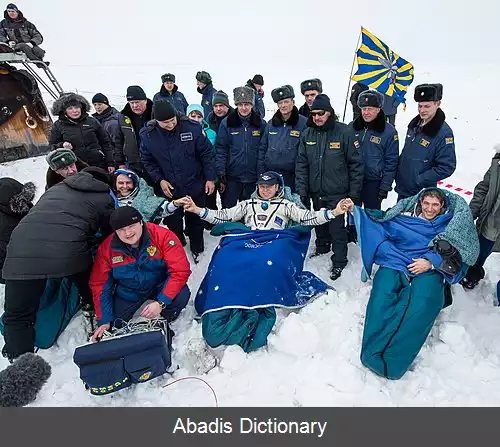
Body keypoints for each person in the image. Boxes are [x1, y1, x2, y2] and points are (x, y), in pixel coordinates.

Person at [352, 188, 479, 379]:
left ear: (442, 205)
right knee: (382, 294)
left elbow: (462, 251)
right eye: (426, 203)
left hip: (430, 266)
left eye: (435, 204)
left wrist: (431, 262)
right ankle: (372, 353)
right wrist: (353, 209)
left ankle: (394, 362)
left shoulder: (451, 225)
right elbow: (379, 221)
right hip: (396, 260)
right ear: (420, 202)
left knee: (423, 302)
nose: (430, 209)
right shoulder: (404, 217)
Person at [1, 167, 117, 361]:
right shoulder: (103, 196)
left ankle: (19, 360)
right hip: (67, 251)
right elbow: (109, 234)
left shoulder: (55, 189)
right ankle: (90, 302)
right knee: (87, 278)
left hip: (20, 250)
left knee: (17, 314)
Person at [90, 206, 191, 343]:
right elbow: (100, 285)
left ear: (141, 222)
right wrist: (104, 320)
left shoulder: (163, 236)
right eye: (121, 230)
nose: (128, 233)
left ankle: (165, 318)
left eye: (131, 226)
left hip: (159, 285)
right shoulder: (107, 249)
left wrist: (161, 302)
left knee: (181, 295)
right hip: (129, 292)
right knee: (114, 325)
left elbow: (180, 271)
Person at [295, 93, 363, 280]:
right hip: (316, 191)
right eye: (313, 113)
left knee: (337, 229)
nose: (316, 117)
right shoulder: (307, 133)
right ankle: (322, 246)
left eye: (321, 113)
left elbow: (356, 165)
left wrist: (354, 194)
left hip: (337, 192)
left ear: (329, 113)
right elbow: (301, 165)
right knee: (319, 222)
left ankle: (340, 260)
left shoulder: (344, 132)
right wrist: (302, 191)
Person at [139, 100, 215, 262]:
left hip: (194, 182)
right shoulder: (148, 135)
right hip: (169, 187)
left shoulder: (192, 128)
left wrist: (209, 178)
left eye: (173, 120)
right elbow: (147, 160)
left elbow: (207, 154)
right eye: (165, 122)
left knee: (195, 218)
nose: (171, 124)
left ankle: (197, 247)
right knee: (172, 220)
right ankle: (178, 242)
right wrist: (159, 180)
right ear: (157, 121)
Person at [181, 171, 351, 230]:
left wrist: (335, 212)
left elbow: (308, 217)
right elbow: (223, 216)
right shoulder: (248, 204)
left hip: (274, 242)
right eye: (262, 186)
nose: (266, 189)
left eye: (270, 186)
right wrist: (196, 209)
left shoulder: (286, 205)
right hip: (249, 241)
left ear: (278, 187)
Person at [395, 83, 456, 200]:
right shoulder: (414, 126)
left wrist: (419, 179)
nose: (422, 110)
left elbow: (447, 166)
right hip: (403, 189)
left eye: (427, 106)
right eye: (420, 106)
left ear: (437, 104)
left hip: (422, 194)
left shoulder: (443, 133)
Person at [215, 86, 266, 208]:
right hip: (232, 178)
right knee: (229, 211)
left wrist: (262, 173)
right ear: (236, 104)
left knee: (250, 212)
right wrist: (221, 172)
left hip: (253, 178)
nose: (244, 108)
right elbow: (221, 149)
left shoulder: (261, 124)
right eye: (240, 104)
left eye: (247, 104)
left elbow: (264, 150)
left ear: (252, 105)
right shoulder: (227, 123)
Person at [350, 89, 399, 210]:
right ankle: (352, 229)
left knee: (372, 217)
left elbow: (391, 161)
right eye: (363, 109)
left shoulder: (389, 132)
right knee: (353, 214)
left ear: (378, 109)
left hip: (374, 183)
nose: (366, 112)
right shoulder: (351, 127)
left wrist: (385, 186)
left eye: (370, 109)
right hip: (354, 180)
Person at [460, 146, 500, 292]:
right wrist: (472, 213)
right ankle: (470, 278)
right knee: (478, 254)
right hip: (490, 224)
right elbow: (483, 188)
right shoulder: (498, 162)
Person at [48, 93, 114, 172]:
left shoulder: (92, 121)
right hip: (76, 167)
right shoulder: (58, 125)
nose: (75, 111)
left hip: (99, 164)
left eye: (77, 107)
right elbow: (52, 147)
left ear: (81, 107)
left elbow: (105, 143)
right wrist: (62, 145)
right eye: (70, 108)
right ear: (64, 110)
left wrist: (110, 163)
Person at [258, 85, 307, 191]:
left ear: (293, 102)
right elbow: (263, 148)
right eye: (280, 103)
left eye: (286, 102)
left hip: (293, 178)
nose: (283, 105)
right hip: (272, 177)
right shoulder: (271, 124)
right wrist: (262, 172)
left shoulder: (303, 123)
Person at [112, 168, 180, 222]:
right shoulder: (109, 199)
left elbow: (161, 209)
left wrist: (174, 204)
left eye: (128, 183)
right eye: (121, 183)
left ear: (135, 184)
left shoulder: (143, 198)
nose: (124, 186)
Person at [0, 178, 35, 284]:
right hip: (22, 275)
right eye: (22, 199)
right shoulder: (4, 226)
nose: (28, 202)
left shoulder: (23, 208)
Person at [91, 93, 135, 170]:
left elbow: (118, 143)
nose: (97, 107)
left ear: (106, 104)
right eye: (95, 104)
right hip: (105, 159)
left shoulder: (112, 121)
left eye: (100, 104)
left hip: (114, 161)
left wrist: (120, 162)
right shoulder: (96, 120)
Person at [120, 85, 154, 182]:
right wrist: (120, 162)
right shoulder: (123, 117)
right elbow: (119, 140)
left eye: (137, 102)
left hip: (155, 161)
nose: (135, 106)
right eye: (131, 103)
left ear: (145, 101)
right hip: (134, 163)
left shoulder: (155, 114)